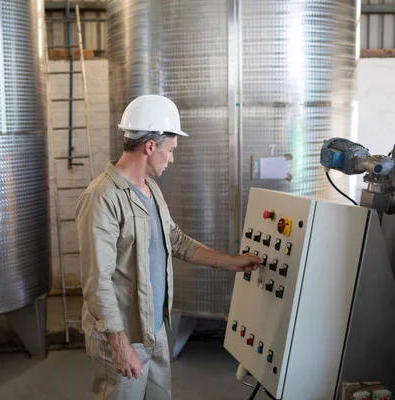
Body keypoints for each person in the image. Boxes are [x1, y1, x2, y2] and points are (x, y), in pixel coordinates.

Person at [75, 94, 263, 400]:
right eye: (171, 150)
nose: (172, 159)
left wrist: (232, 262)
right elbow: (98, 283)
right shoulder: (103, 198)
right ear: (150, 146)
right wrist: (120, 346)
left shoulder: (150, 189)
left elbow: (174, 240)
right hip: (123, 335)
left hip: (155, 328)